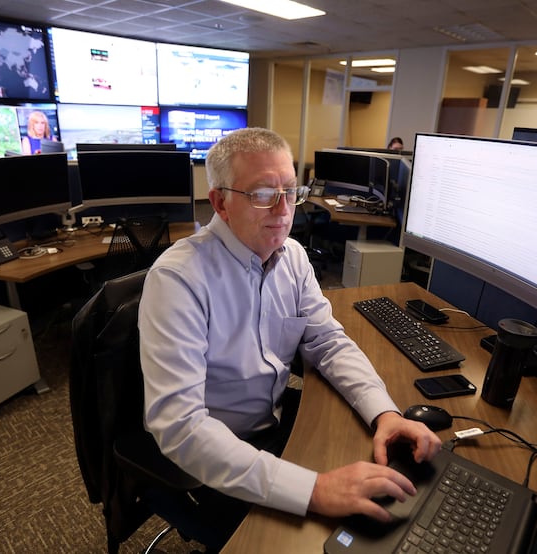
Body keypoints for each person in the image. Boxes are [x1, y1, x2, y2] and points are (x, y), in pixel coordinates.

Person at [138, 127, 442, 550]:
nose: (284, 210)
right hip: (216, 454)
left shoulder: (292, 257)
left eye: (290, 191)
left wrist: (385, 414)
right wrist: (314, 490)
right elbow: (181, 427)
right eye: (263, 193)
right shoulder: (178, 280)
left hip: (278, 424)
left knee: (398, 503)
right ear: (220, 202)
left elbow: (327, 342)